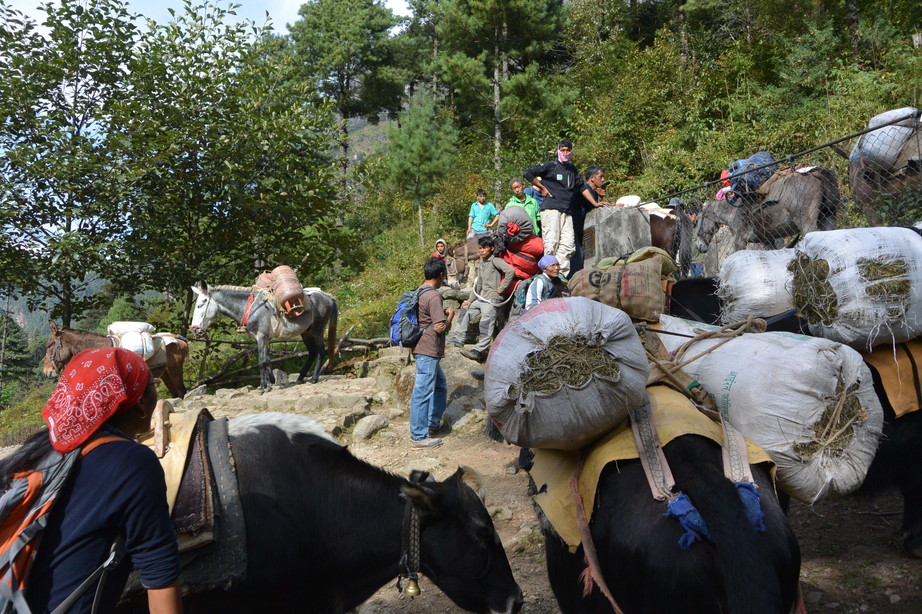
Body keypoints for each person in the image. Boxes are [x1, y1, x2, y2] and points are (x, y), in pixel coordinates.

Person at [0, 347, 182, 614]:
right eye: (152, 386)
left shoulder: (41, 447)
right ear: (141, 402)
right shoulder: (133, 462)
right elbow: (160, 577)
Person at [523, 139, 609, 278]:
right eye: (562, 150)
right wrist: (542, 187)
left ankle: (560, 277)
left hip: (566, 211)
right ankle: (547, 276)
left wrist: (595, 203)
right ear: (558, 150)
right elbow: (528, 173)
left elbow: (582, 187)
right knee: (552, 243)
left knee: (568, 246)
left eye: (567, 150)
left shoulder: (572, 169)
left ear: (571, 151)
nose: (565, 153)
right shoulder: (551, 166)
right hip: (551, 209)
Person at [409, 258, 456, 448]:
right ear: (442, 275)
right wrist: (450, 315)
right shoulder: (434, 296)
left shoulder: (419, 291)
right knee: (423, 391)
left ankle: (432, 423)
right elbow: (438, 327)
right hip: (429, 349)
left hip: (420, 346)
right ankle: (419, 436)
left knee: (440, 386)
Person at [447, 236, 514, 363]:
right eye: (480, 248)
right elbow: (478, 284)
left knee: (486, 322)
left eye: (484, 248)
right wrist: (470, 301)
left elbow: (510, 271)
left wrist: (502, 287)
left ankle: (478, 350)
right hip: (482, 298)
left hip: (493, 299)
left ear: (492, 248)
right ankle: (459, 338)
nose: (482, 251)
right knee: (466, 310)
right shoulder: (482, 264)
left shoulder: (495, 261)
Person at [570, 165, 611, 274]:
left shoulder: (592, 192)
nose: (602, 180)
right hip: (572, 228)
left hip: (580, 230)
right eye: (600, 177)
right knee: (577, 258)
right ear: (592, 178)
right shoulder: (584, 188)